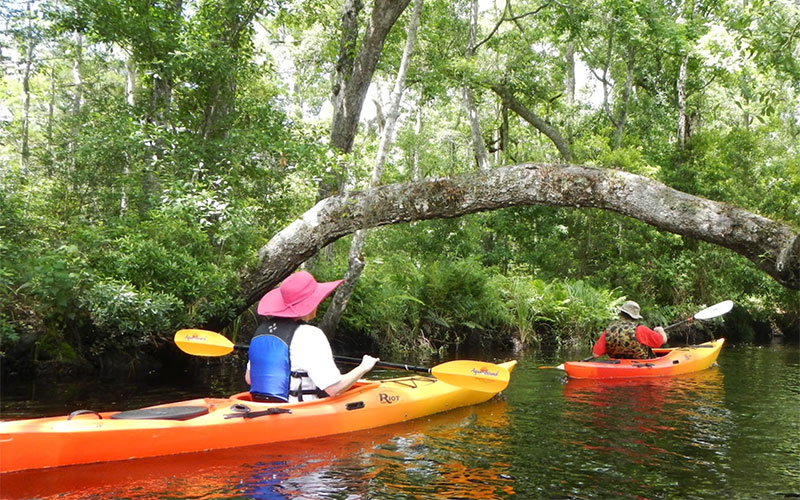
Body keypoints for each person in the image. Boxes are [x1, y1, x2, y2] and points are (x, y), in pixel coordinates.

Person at [244, 270, 379, 403]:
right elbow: (334, 389)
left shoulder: (262, 330)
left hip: (260, 405)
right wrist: (363, 367)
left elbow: (250, 379)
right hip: (296, 412)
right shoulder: (310, 335)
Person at [591, 300, 667, 359]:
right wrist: (660, 330)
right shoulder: (640, 330)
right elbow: (663, 340)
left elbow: (595, 355)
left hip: (617, 368)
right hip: (640, 366)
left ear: (621, 313)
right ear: (635, 317)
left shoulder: (609, 331)